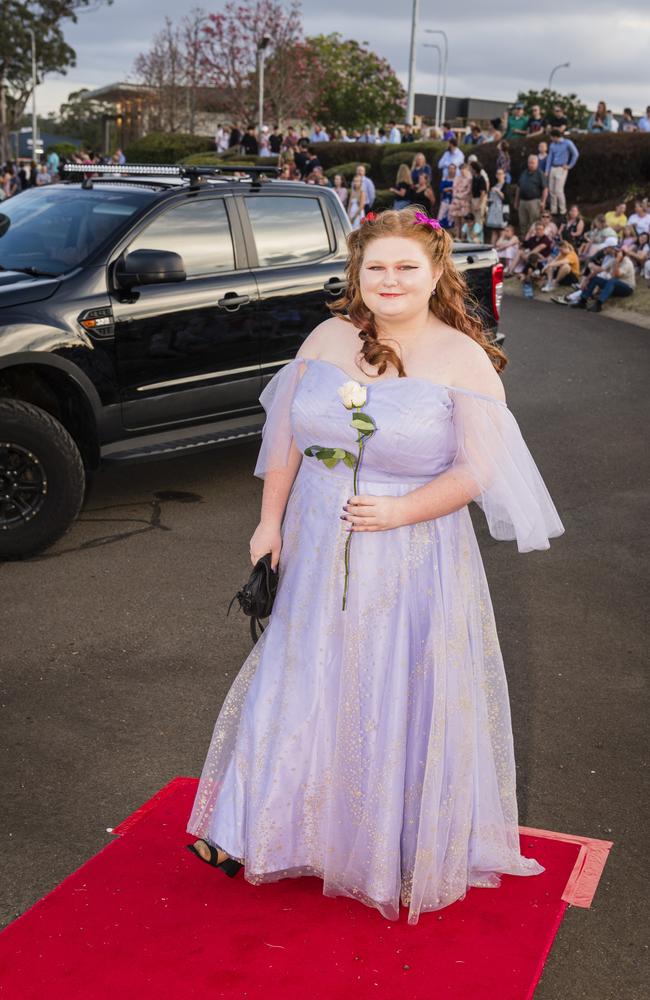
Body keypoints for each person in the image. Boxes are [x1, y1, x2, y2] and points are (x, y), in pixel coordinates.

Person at [185, 205, 564, 924]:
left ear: (435, 274)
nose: (390, 280)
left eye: (406, 267)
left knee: (387, 683)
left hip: (411, 551)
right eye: (376, 266)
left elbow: (477, 471)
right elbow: (289, 437)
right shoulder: (327, 336)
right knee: (296, 675)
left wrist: (399, 511)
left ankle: (388, 846)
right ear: (357, 273)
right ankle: (246, 827)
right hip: (316, 536)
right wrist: (269, 523)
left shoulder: (463, 358)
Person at [570, 247, 635, 311]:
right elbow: (599, 270)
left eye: (617, 252)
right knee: (595, 278)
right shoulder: (614, 260)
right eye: (615, 251)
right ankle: (582, 301)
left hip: (627, 288)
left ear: (622, 255)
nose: (615, 253)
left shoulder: (627, 263)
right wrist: (586, 279)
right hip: (613, 285)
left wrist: (617, 261)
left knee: (612, 281)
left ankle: (598, 305)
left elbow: (616, 274)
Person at [545, 129, 579, 216]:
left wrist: (570, 165)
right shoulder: (552, 145)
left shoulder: (567, 143)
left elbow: (575, 154)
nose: (551, 139)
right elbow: (550, 157)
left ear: (555, 137)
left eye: (552, 137)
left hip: (562, 168)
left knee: (558, 190)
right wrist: (547, 170)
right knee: (552, 190)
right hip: (553, 167)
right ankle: (554, 210)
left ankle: (563, 210)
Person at [514, 154, 548, 236]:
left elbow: (545, 189)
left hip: (534, 201)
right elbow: (519, 188)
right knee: (522, 222)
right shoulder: (524, 173)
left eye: (533, 163)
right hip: (522, 202)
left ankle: (531, 240)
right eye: (529, 163)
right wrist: (516, 201)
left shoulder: (540, 174)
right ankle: (523, 240)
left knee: (533, 223)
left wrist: (543, 202)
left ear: (537, 163)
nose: (531, 165)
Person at [485, 167, 511, 243]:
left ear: (504, 175)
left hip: (502, 210)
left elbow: (506, 198)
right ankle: (492, 248)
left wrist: (498, 191)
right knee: (494, 230)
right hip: (494, 210)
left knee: (501, 230)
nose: (499, 175)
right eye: (498, 174)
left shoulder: (506, 185)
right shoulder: (495, 185)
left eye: (501, 174)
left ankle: (500, 247)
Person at [450, 162, 472, 238]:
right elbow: (454, 188)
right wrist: (456, 196)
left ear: (467, 169)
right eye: (461, 169)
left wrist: (461, 196)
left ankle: (463, 237)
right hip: (456, 201)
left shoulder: (470, 179)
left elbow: (468, 190)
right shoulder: (457, 178)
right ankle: (457, 236)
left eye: (464, 169)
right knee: (456, 221)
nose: (462, 171)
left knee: (463, 221)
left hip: (464, 201)